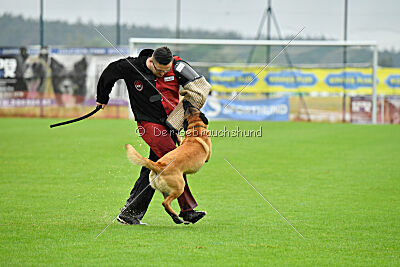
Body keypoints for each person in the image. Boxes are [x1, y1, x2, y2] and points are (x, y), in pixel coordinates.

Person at [96, 47, 211, 225]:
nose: (163, 73)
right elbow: (110, 72)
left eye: (167, 70)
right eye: (159, 70)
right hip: (148, 123)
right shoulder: (131, 66)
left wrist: (191, 103)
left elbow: (200, 85)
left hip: (171, 123)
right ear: (151, 61)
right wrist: (102, 97)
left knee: (156, 165)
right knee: (174, 160)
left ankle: (130, 213)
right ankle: (187, 210)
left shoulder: (178, 65)